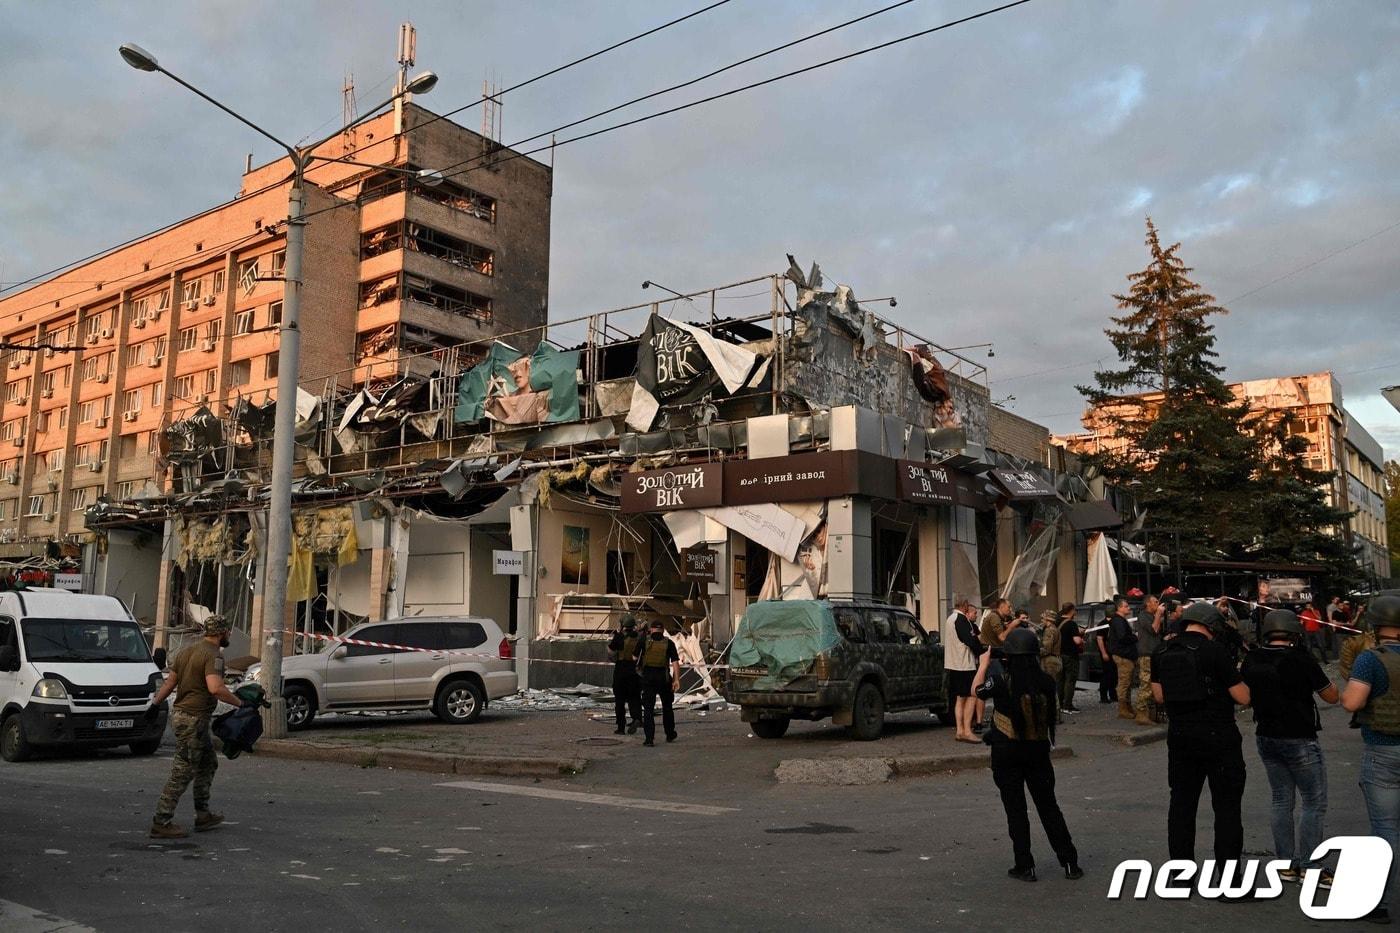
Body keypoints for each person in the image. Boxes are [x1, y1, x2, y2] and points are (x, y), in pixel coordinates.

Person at [973, 627, 1083, 883]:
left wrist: (984, 664)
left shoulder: (1001, 681)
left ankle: (1025, 865)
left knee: (1016, 810)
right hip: (1038, 751)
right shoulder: (1046, 682)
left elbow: (975, 690)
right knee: (1049, 807)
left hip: (1007, 752)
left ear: (1009, 655)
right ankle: (1070, 863)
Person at [1240, 609, 1339, 887]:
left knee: (1281, 800)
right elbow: (1331, 696)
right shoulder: (1300, 658)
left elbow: (1245, 695)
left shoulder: (1252, 658)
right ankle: (1310, 865)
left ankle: (1285, 864)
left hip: (1266, 736)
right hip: (1299, 737)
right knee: (1313, 802)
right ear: (1294, 632)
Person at [1150, 602, 1251, 863]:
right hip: (1219, 736)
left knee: (1181, 807)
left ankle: (1182, 876)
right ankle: (1229, 879)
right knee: (1227, 809)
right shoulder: (1214, 651)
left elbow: (1159, 696)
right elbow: (1242, 697)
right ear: (1212, 625)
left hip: (1180, 737)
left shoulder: (1161, 650)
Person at [149, 615, 244, 839]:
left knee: (208, 763)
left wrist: (154, 704)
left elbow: (170, 682)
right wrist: (241, 704)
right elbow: (215, 688)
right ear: (221, 632)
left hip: (183, 716)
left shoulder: (186, 651)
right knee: (182, 771)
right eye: (227, 631)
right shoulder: (213, 655)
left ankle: (203, 815)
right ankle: (161, 821)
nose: (229, 635)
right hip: (194, 719)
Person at [1341, 594, 1400, 924]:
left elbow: (1352, 702)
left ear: (1375, 625)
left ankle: (1378, 903)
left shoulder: (1370, 659)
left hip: (1383, 751)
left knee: (1385, 828)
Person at [943, 595, 984, 743]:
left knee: (959, 699)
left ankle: (960, 730)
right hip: (965, 664)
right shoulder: (961, 620)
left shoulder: (950, 619)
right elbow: (970, 640)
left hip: (953, 664)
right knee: (972, 696)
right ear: (965, 605)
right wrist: (982, 652)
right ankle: (967, 730)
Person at [634, 619, 680, 746]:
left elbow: (634, 657)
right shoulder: (669, 643)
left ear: (651, 629)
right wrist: (676, 679)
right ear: (663, 630)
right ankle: (670, 734)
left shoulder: (644, 641)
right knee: (667, 707)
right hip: (664, 679)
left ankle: (649, 739)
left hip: (648, 679)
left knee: (648, 709)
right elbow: (675, 663)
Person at [608, 614, 643, 735]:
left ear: (623, 625)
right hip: (634, 670)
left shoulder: (619, 637)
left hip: (621, 669)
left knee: (620, 699)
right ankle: (637, 718)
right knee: (634, 697)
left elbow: (611, 651)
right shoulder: (639, 637)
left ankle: (621, 727)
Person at [1132, 595, 1163, 726]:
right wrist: (1159, 614)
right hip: (1146, 655)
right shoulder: (1143, 616)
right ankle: (1141, 713)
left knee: (1153, 684)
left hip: (1153, 654)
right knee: (1146, 684)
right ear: (1148, 604)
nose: (1158, 603)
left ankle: (1150, 714)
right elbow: (1154, 629)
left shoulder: (1152, 616)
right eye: (1155, 601)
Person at [1108, 597, 1139, 720]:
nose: (1128, 608)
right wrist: (1135, 637)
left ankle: (1127, 706)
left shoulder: (1119, 620)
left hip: (1126, 654)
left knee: (1128, 682)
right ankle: (1123, 709)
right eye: (1126, 606)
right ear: (1119, 607)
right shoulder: (1118, 621)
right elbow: (1122, 637)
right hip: (1123, 655)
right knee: (1124, 682)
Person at [1056, 603, 1083, 714]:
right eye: (1075, 610)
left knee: (1060, 680)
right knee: (1070, 680)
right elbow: (1077, 641)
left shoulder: (1056, 622)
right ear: (1071, 610)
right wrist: (1081, 638)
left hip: (1059, 655)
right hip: (1070, 655)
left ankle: (1060, 704)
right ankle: (1068, 705)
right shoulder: (1071, 624)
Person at [1037, 611, 1063, 724]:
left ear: (1048, 620)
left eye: (1043, 619)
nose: (1041, 621)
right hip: (1054, 660)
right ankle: (1055, 716)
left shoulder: (1049, 630)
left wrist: (1034, 650)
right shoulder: (1054, 629)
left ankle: (1054, 717)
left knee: (1050, 689)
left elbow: (1046, 649)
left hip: (1050, 662)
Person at [1096, 604, 1117, 704]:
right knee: (1107, 674)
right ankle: (1103, 697)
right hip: (1107, 652)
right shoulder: (1102, 624)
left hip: (1114, 652)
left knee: (1114, 674)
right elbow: (1099, 639)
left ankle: (1113, 695)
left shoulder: (1114, 622)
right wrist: (1104, 653)